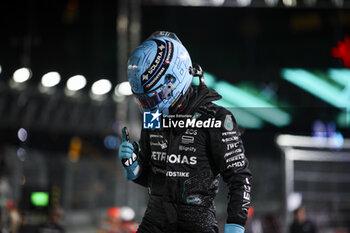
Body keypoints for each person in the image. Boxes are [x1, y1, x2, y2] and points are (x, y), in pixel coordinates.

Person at [118, 31, 252, 233]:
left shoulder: (216, 119)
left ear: (173, 79)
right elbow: (153, 178)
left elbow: (240, 178)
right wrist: (134, 167)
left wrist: (235, 226)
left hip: (196, 224)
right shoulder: (153, 117)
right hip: (154, 222)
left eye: (151, 99)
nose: (148, 108)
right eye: (141, 101)